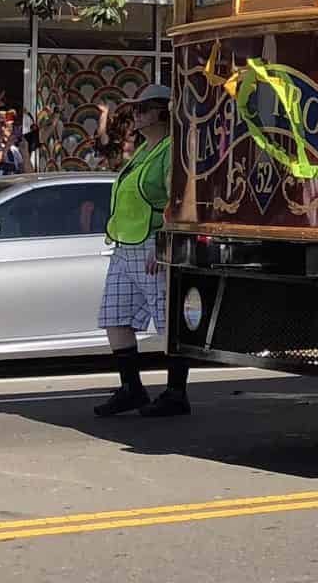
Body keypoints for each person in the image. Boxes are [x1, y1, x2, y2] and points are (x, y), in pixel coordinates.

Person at [94, 84, 190, 417]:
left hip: (152, 246)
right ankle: (131, 389)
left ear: (163, 112)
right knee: (115, 318)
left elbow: (178, 202)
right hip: (125, 246)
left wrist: (163, 244)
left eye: (143, 108)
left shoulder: (169, 151)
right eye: (135, 108)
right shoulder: (143, 151)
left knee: (167, 324)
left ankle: (176, 394)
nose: (136, 114)